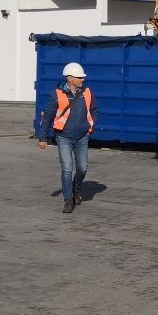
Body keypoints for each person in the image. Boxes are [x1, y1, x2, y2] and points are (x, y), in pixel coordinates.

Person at [37, 61, 96, 214]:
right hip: (63, 137)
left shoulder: (87, 93)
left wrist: (90, 126)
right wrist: (43, 138)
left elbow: (94, 111)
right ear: (70, 78)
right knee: (67, 169)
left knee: (83, 168)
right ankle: (68, 200)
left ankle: (76, 188)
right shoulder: (57, 95)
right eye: (79, 77)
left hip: (82, 137)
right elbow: (48, 117)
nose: (82, 80)